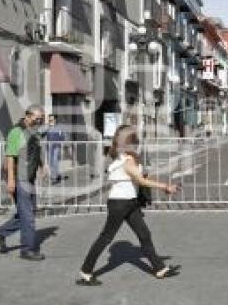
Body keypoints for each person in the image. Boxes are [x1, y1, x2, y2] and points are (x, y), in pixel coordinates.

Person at [76, 125, 181, 286]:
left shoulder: (126, 156)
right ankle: (86, 271)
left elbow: (139, 178)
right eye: (135, 140)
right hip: (119, 204)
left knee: (144, 234)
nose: (138, 142)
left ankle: (159, 268)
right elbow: (141, 180)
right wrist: (165, 187)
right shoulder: (127, 160)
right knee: (105, 238)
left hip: (130, 203)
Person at [0, 105, 46, 261]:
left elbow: (36, 149)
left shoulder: (34, 131)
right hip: (18, 176)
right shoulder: (16, 132)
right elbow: (10, 157)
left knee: (28, 210)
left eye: (41, 119)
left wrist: (42, 165)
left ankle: (0, 232)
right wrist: (11, 181)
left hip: (28, 176)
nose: (39, 121)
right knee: (27, 214)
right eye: (37, 118)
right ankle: (27, 250)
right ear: (27, 116)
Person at [44, 115, 66, 185]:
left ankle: (54, 178)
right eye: (49, 119)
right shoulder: (47, 127)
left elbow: (62, 137)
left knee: (55, 161)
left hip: (56, 147)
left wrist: (59, 144)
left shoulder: (59, 127)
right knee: (50, 162)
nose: (50, 121)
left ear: (55, 120)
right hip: (49, 147)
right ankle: (57, 175)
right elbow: (44, 136)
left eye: (52, 119)